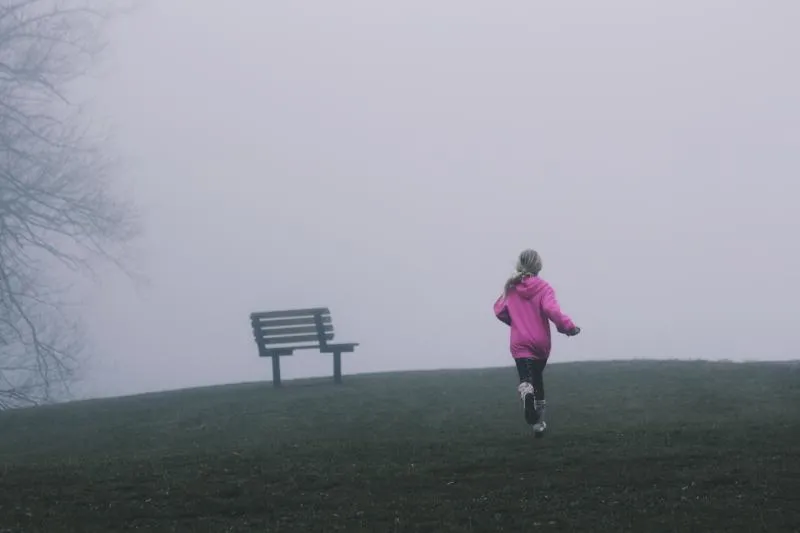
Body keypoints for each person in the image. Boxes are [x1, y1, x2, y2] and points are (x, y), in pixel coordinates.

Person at [493, 249, 580, 437]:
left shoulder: (511, 287)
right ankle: (538, 424)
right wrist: (569, 327)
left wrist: (515, 321)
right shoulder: (544, 288)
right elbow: (552, 310)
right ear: (538, 266)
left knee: (527, 378)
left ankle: (527, 393)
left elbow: (499, 310)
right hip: (540, 343)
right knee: (538, 378)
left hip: (519, 342)